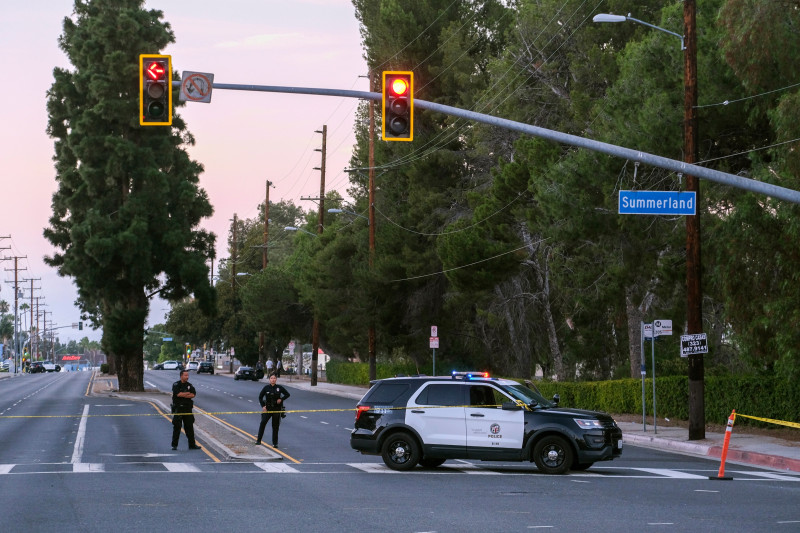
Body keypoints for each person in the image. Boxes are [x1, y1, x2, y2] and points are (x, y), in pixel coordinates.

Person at [256, 372, 290, 447]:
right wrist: (263, 406)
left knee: (275, 426)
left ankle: (275, 443)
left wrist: (281, 399)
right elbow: (260, 397)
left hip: (276, 409)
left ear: (276, 379)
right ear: (269, 379)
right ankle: (258, 440)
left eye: (274, 378)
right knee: (262, 423)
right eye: (271, 378)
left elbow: (287, 394)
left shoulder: (279, 387)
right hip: (268, 409)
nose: (273, 380)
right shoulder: (266, 388)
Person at [171, 370, 202, 450]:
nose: (187, 377)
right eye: (185, 375)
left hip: (187, 409)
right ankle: (174, 445)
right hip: (178, 409)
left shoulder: (189, 385)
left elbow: (193, 395)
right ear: (181, 376)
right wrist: (186, 394)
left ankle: (192, 445)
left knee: (189, 428)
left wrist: (184, 394)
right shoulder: (176, 384)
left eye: (188, 375)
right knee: (177, 427)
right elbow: (178, 394)